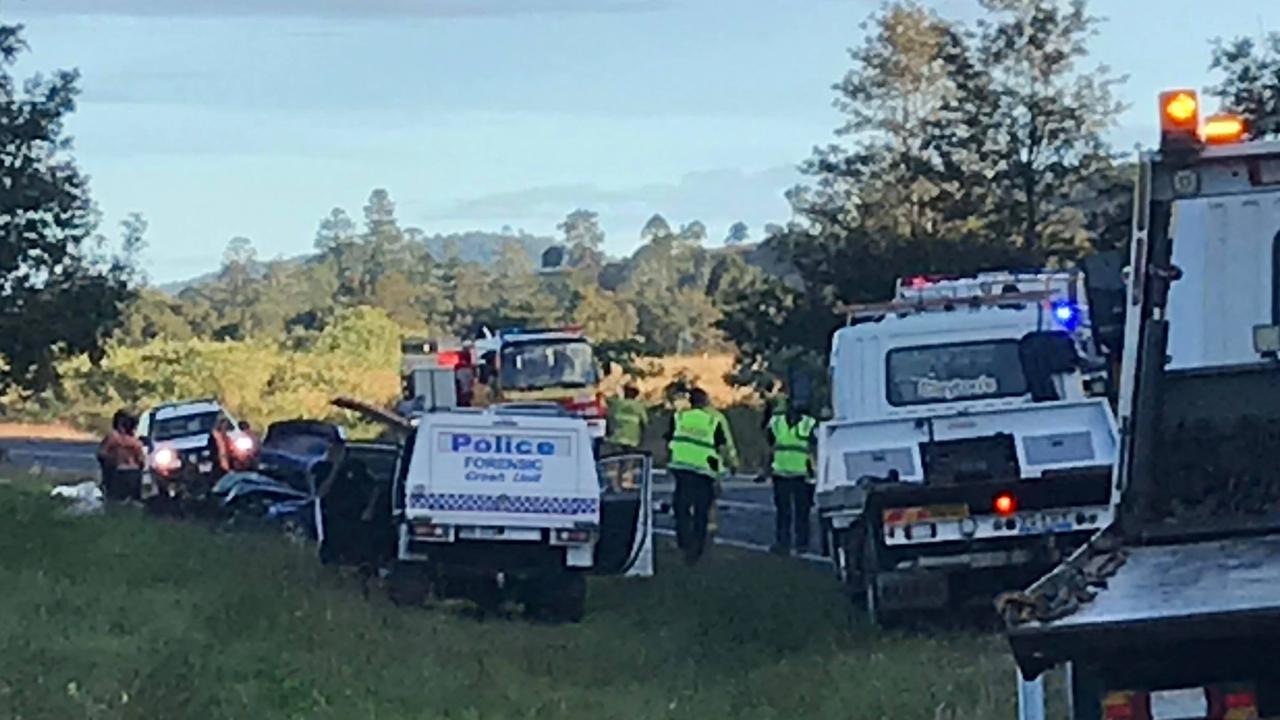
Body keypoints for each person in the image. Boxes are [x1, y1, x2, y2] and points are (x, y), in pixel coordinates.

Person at [665, 387, 731, 565]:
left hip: (682, 469)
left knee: (681, 508)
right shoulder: (712, 420)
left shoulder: (679, 417)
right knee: (701, 512)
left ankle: (684, 542)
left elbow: (669, 441)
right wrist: (721, 472)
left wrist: (668, 461)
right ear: (705, 401)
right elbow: (720, 448)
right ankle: (696, 548)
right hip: (704, 472)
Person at [762, 401, 819, 554]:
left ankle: (802, 543)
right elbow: (770, 445)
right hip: (781, 473)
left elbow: (817, 446)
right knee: (783, 511)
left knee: (802, 511)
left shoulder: (809, 424)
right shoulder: (776, 422)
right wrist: (767, 469)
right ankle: (783, 543)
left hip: (802, 474)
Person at [98, 411, 146, 502]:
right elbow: (141, 460)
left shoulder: (113, 438)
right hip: (134, 473)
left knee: (115, 499)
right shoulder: (136, 443)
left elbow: (101, 454)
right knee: (133, 500)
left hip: (118, 472)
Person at [606, 384, 648, 451]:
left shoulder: (617, 403)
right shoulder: (640, 406)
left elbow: (608, 414)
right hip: (633, 439)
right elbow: (645, 422)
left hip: (618, 437)